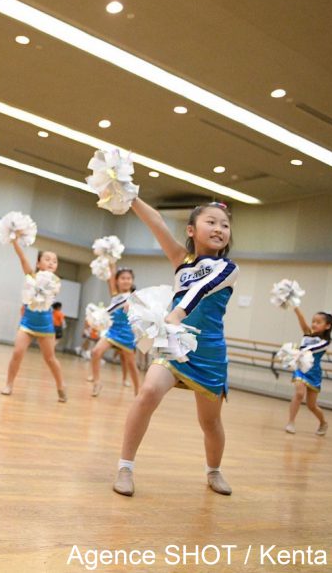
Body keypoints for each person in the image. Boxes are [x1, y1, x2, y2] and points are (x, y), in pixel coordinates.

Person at [112, 201, 237, 498]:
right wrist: (132, 196)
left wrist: (177, 313)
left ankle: (214, 470)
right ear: (191, 230)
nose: (219, 228)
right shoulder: (182, 261)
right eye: (212, 222)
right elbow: (157, 223)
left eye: (225, 225)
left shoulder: (228, 268)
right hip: (174, 343)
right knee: (148, 392)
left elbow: (201, 290)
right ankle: (125, 466)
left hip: (209, 353)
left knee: (210, 421)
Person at [0, 239, 66, 402]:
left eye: (54, 261)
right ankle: (9, 384)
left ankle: (61, 386)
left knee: (50, 359)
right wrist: (15, 242)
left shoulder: (56, 281)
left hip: (45, 325)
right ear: (38, 262)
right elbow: (22, 258)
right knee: (17, 353)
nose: (51, 262)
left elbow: (50, 293)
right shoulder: (32, 276)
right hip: (28, 323)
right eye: (47, 259)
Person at [90, 266, 140, 396]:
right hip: (112, 330)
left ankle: (138, 391)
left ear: (132, 281)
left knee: (131, 365)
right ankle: (97, 383)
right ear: (117, 280)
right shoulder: (115, 294)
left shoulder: (134, 297)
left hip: (127, 333)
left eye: (128, 278)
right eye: (122, 278)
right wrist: (110, 256)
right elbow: (111, 270)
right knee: (96, 352)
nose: (126, 281)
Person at [283, 306, 332, 435]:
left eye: (318, 322)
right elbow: (301, 319)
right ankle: (291, 422)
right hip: (301, 369)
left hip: (314, 373)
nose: (314, 324)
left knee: (311, 405)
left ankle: (323, 422)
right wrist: (295, 307)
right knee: (299, 394)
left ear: (327, 326)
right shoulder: (307, 333)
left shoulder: (325, 342)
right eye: (313, 321)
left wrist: (297, 352)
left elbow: (312, 349)